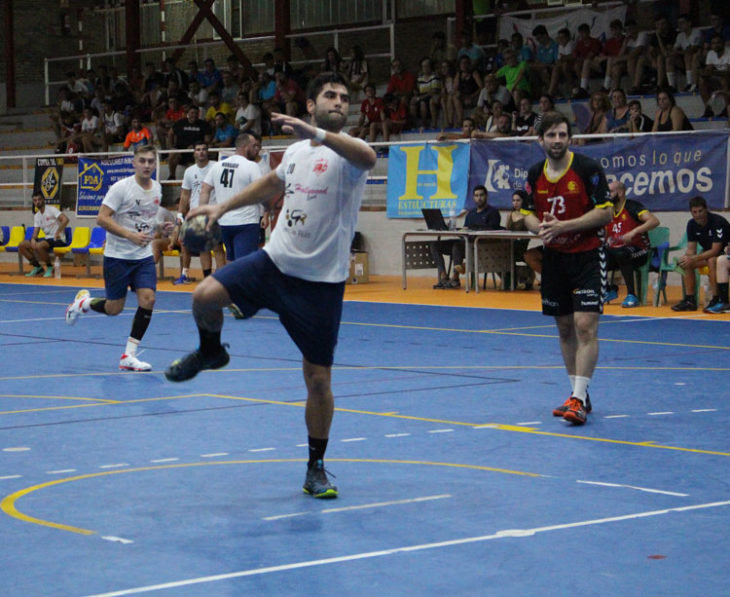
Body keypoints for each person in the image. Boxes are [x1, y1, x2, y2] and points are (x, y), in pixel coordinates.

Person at [165, 73, 377, 500]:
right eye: (329, 96)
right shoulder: (297, 152)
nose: (339, 102)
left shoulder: (348, 155)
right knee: (204, 296)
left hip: (319, 285)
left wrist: (316, 132)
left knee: (317, 380)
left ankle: (315, 467)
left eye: (344, 98)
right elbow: (274, 184)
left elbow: (370, 156)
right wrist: (221, 206)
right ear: (312, 105)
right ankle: (212, 351)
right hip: (274, 263)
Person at [522, 111, 613, 425]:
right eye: (551, 135)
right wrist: (541, 229)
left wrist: (565, 226)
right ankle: (578, 395)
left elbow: (606, 212)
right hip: (555, 259)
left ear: (569, 138)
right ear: (541, 140)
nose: (557, 140)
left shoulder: (588, 169)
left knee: (585, 325)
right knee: (563, 328)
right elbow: (526, 213)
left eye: (562, 134)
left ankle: (577, 398)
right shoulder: (535, 173)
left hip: (587, 255)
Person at [65, 145, 172, 371]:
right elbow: (102, 218)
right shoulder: (120, 188)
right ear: (133, 163)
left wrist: (162, 226)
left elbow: (147, 220)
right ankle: (82, 303)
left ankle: (128, 356)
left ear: (155, 164)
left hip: (142, 256)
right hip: (117, 257)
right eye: (142, 161)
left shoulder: (157, 189)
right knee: (114, 309)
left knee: (148, 300)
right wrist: (129, 235)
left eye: (151, 161)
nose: (146, 165)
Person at [199, 132, 264, 264]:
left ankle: (230, 285)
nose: (256, 150)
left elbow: (204, 190)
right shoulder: (251, 166)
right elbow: (262, 192)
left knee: (230, 260)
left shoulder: (218, 165)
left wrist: (204, 216)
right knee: (245, 264)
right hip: (246, 222)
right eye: (253, 146)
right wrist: (267, 212)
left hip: (224, 223)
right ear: (246, 147)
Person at [429, 185, 501, 289]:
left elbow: (492, 230)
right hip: (466, 241)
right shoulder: (471, 214)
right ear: (473, 198)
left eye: (481, 195)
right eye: (476, 196)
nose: (479, 198)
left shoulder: (493, 212)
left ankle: (455, 279)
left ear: (486, 196)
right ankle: (443, 277)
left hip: (480, 245)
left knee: (457, 246)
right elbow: (466, 229)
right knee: (435, 245)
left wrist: (474, 229)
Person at [604, 180, 660, 307]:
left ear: (621, 192)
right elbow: (606, 233)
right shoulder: (609, 211)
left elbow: (654, 221)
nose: (607, 195)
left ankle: (632, 296)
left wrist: (633, 232)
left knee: (622, 253)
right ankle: (609, 289)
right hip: (618, 251)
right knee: (594, 254)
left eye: (610, 192)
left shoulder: (633, 206)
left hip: (640, 251)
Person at [175, 142, 224, 285]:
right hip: (197, 215)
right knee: (203, 247)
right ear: (194, 153)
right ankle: (207, 278)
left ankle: (221, 278)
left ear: (208, 152)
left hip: (215, 212)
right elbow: (185, 195)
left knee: (217, 247)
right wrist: (180, 214)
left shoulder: (216, 166)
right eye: (198, 150)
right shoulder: (189, 171)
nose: (201, 152)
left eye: (204, 149)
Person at [671, 195, 730, 312]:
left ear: (706, 209)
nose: (698, 215)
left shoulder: (717, 222)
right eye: (695, 212)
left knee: (712, 260)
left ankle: (716, 299)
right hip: (708, 254)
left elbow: (715, 250)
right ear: (691, 212)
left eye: (700, 211)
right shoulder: (691, 224)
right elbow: (691, 249)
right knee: (686, 263)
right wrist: (686, 258)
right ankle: (690, 300)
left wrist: (694, 258)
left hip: (722, 254)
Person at [19, 193, 69, 277]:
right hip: (47, 239)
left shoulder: (52, 209)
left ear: (43, 200)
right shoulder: (37, 216)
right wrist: (33, 239)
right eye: (35, 200)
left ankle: (49, 267)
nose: (37, 202)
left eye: (39, 199)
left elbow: (65, 220)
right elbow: (35, 232)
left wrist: (58, 232)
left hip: (58, 239)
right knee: (22, 245)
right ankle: (37, 267)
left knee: (39, 246)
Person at [168, 105, 212, 180]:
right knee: (172, 154)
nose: (194, 115)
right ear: (188, 113)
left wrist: (195, 146)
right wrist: (171, 146)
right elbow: (170, 133)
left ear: (198, 114)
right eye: (192, 113)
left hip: (196, 151)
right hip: (181, 151)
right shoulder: (181, 122)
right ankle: (172, 175)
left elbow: (207, 140)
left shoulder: (204, 124)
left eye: (196, 113)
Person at [505, 189, 536, 290]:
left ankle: (526, 278)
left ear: (523, 201)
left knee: (513, 252)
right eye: (513, 200)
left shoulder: (528, 215)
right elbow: (506, 230)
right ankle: (509, 279)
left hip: (522, 244)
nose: (515, 203)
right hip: (509, 244)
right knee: (501, 252)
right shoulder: (510, 214)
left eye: (518, 200)